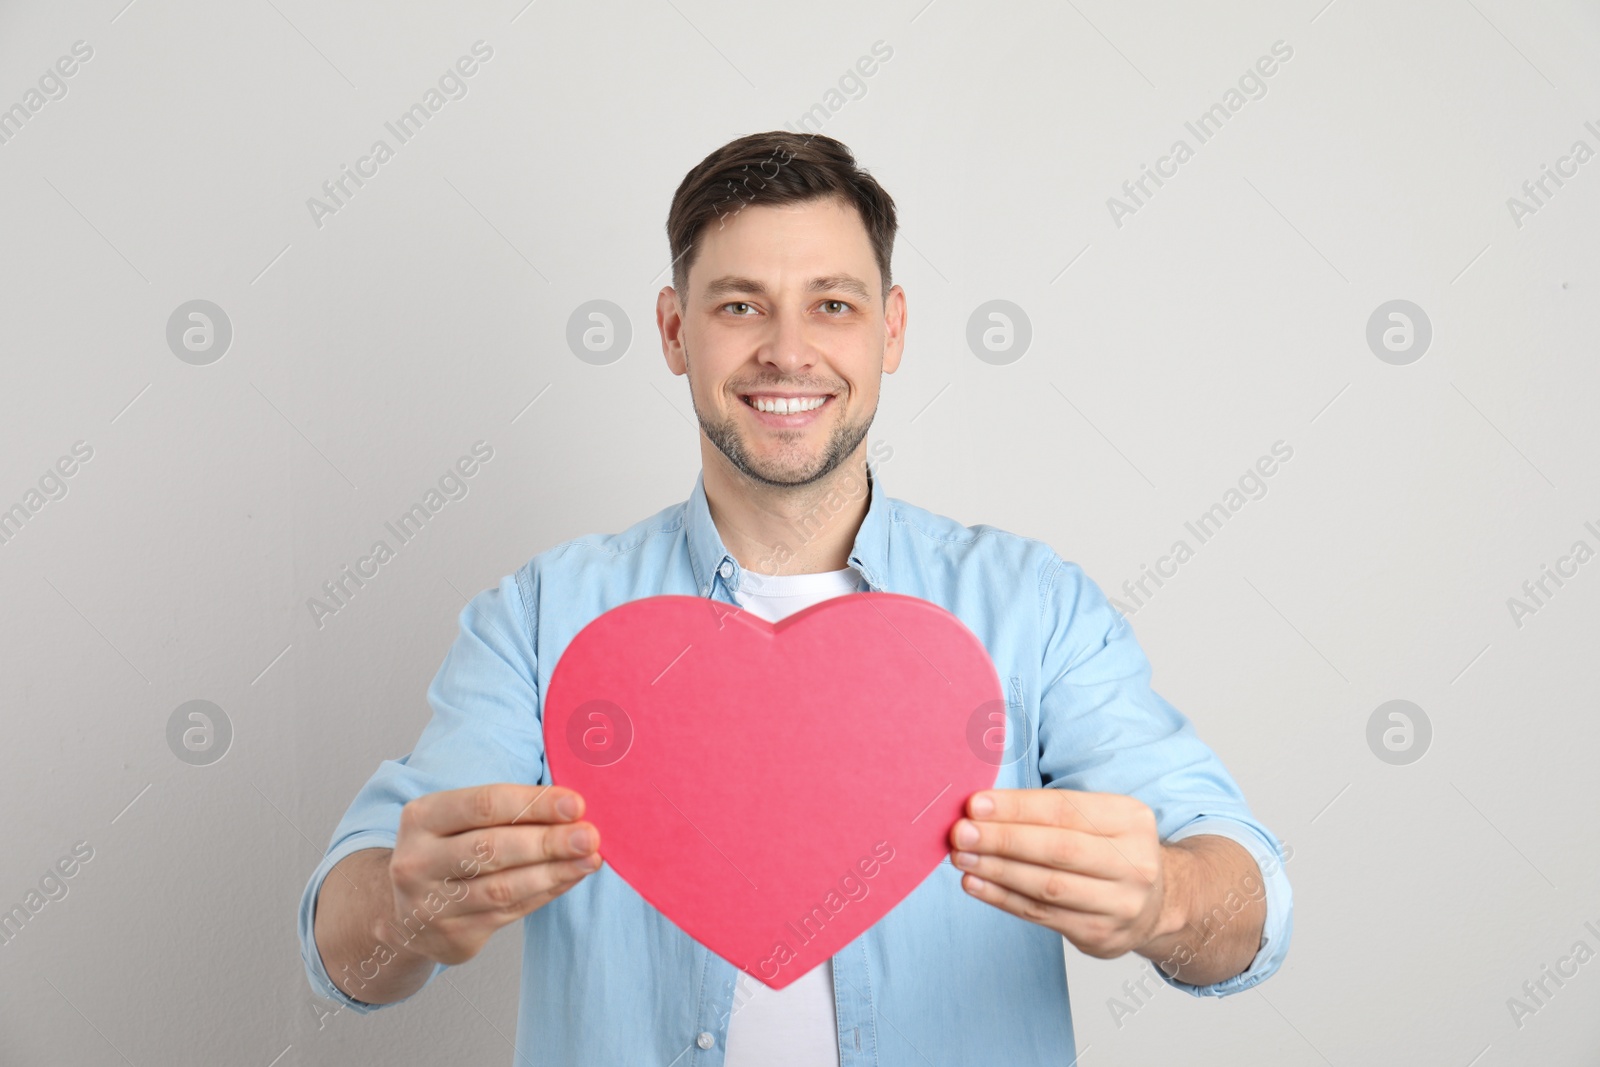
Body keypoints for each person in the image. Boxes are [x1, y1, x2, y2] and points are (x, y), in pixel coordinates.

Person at [298, 130, 1293, 1066]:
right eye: (739, 304)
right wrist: (401, 911)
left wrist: (1164, 897)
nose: (785, 349)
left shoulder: (1033, 610)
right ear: (673, 329)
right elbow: (347, 951)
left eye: (832, 303)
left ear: (890, 329)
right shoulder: (542, 619)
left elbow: (1247, 902)